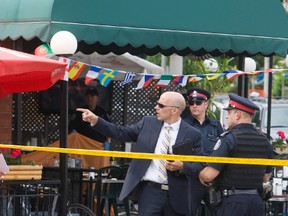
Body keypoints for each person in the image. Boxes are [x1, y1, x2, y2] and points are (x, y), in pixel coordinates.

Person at [77, 91, 204, 216]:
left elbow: (199, 166)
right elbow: (121, 132)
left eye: (161, 105)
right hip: (150, 192)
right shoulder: (148, 123)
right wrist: (96, 120)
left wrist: (182, 166)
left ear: (174, 110)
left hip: (178, 194)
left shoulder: (193, 134)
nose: (156, 107)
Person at [199, 93, 273, 216]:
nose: (227, 117)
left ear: (237, 115)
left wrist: (201, 175)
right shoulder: (264, 140)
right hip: (256, 203)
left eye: (229, 113)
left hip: (232, 204)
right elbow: (266, 177)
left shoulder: (229, 139)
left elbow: (208, 175)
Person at [183, 87, 224, 216]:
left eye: (198, 102)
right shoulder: (183, 125)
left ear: (206, 104)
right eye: (191, 102)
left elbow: (223, 149)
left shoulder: (215, 125)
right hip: (190, 178)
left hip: (211, 179)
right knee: (186, 212)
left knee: (219, 212)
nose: (194, 106)